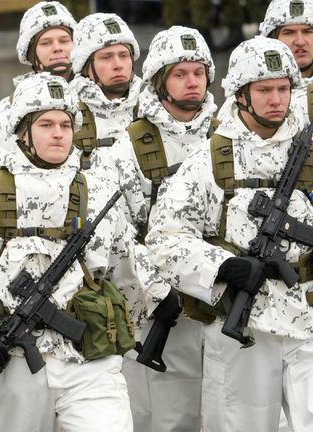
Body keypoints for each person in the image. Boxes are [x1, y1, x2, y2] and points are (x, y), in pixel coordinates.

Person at [0, 72, 176, 432]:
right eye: (45, 124)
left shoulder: (101, 193)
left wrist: (111, 329)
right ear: (23, 132)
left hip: (90, 361)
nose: (58, 133)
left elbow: (126, 274)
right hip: (13, 362)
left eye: (65, 124)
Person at [146, 36, 313, 432]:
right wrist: (224, 265)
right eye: (264, 90)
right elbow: (164, 239)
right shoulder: (210, 160)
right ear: (241, 94)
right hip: (245, 326)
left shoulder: (308, 149)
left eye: (283, 89)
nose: (276, 99)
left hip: (308, 318)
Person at [111, 26, 219, 432]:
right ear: (160, 81)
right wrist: (160, 293)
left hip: (225, 295)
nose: (192, 82)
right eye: (180, 74)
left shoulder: (226, 133)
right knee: (169, 415)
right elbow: (119, 234)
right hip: (164, 303)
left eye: (198, 72)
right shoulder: (131, 147)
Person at [0, 1, 77, 160]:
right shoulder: (2, 115)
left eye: (64, 41)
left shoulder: (101, 101)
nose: (57, 48)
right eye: (46, 43)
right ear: (30, 53)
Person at [70, 13, 143, 187]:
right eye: (106, 57)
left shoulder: (155, 109)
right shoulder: (65, 112)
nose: (118, 64)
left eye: (124, 55)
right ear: (86, 65)